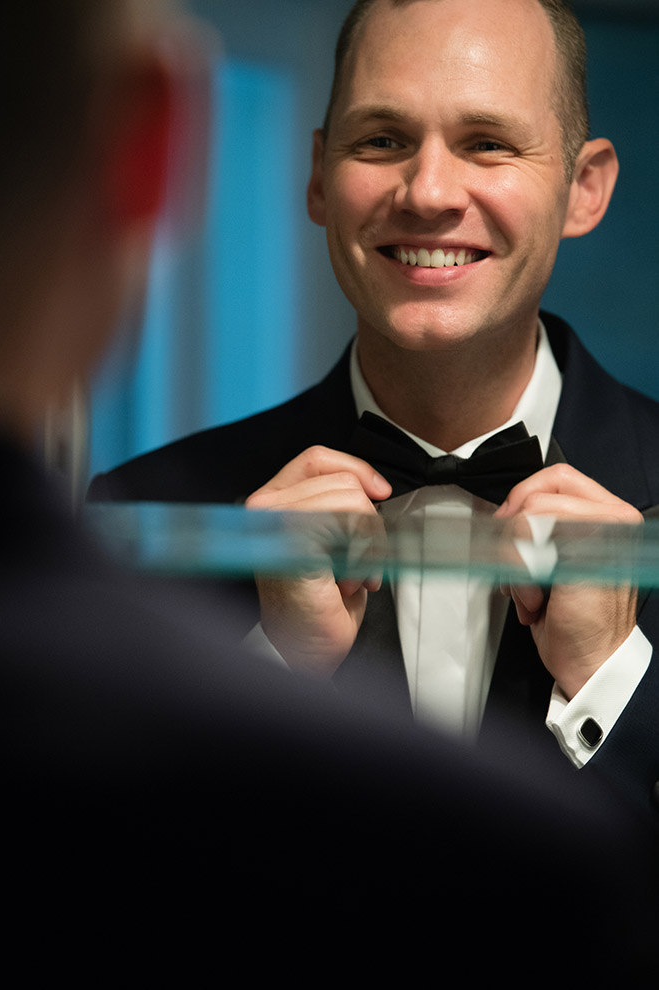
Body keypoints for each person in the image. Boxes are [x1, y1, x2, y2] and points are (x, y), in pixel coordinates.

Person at [88, 0, 659, 820]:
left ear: (583, 187)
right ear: (320, 176)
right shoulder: (137, 517)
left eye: (487, 143)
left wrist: (614, 683)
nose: (427, 192)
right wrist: (276, 671)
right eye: (383, 140)